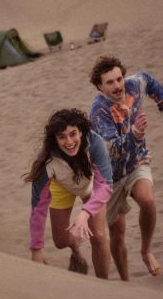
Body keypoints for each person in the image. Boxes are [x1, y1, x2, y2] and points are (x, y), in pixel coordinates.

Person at [89, 55, 163, 280]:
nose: (117, 86)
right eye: (110, 82)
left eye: (119, 79)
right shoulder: (99, 111)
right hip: (110, 175)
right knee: (117, 235)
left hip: (136, 161)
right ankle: (126, 284)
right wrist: (136, 133)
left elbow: (149, 81)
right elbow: (111, 149)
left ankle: (146, 251)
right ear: (100, 86)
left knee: (147, 201)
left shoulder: (134, 85)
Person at [24, 109, 113, 279]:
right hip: (62, 186)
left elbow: (105, 186)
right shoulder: (47, 160)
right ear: (55, 139)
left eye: (73, 134)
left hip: (92, 187)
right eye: (62, 137)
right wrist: (36, 248)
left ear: (81, 131)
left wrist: (85, 213)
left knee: (99, 237)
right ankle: (75, 247)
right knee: (60, 242)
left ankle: (104, 285)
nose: (69, 141)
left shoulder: (95, 143)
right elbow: (38, 207)